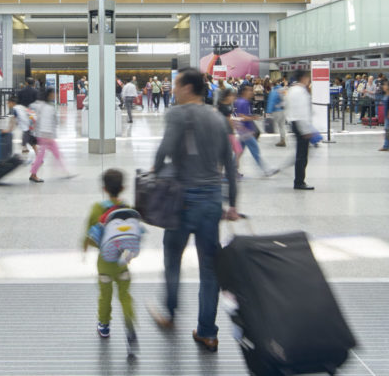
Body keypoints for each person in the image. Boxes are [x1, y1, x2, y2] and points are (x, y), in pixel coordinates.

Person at [148, 69, 240, 353]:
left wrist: (157, 173)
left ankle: (170, 314)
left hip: (183, 199)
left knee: (172, 257)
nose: (173, 90)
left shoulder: (178, 113)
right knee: (210, 268)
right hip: (212, 200)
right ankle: (208, 332)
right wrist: (233, 202)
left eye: (176, 85)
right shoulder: (216, 115)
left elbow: (164, 150)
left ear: (188, 87)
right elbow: (230, 162)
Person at [84, 168, 140, 359]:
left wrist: (86, 247)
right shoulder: (127, 208)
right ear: (123, 188)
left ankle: (104, 326)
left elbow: (90, 236)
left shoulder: (97, 209)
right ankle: (130, 325)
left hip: (104, 264)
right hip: (122, 262)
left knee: (105, 296)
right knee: (125, 296)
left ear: (104, 188)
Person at [233, 83, 278, 176]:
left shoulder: (240, 101)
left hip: (243, 131)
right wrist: (253, 118)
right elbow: (242, 116)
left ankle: (231, 170)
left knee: (239, 151)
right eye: (249, 90)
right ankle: (267, 170)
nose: (251, 92)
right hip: (245, 132)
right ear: (244, 91)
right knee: (255, 151)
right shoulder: (243, 102)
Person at [28, 94, 72, 182]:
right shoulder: (45, 107)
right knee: (41, 157)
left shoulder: (45, 106)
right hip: (45, 136)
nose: (54, 96)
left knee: (57, 154)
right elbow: (43, 122)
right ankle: (33, 174)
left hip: (47, 136)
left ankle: (65, 172)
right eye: (52, 95)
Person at [286, 68, 315, 190]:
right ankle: (299, 181)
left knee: (300, 154)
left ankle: (299, 180)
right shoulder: (301, 91)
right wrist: (306, 129)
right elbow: (303, 111)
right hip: (301, 124)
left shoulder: (291, 90)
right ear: (303, 78)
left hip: (293, 122)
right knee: (302, 155)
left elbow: (288, 107)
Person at [266, 79, 287, 146]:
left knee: (272, 124)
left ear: (272, 85)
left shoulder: (274, 91)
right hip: (283, 110)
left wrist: (268, 112)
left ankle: (274, 138)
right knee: (282, 126)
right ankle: (283, 140)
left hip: (276, 111)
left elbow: (271, 102)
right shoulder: (282, 90)